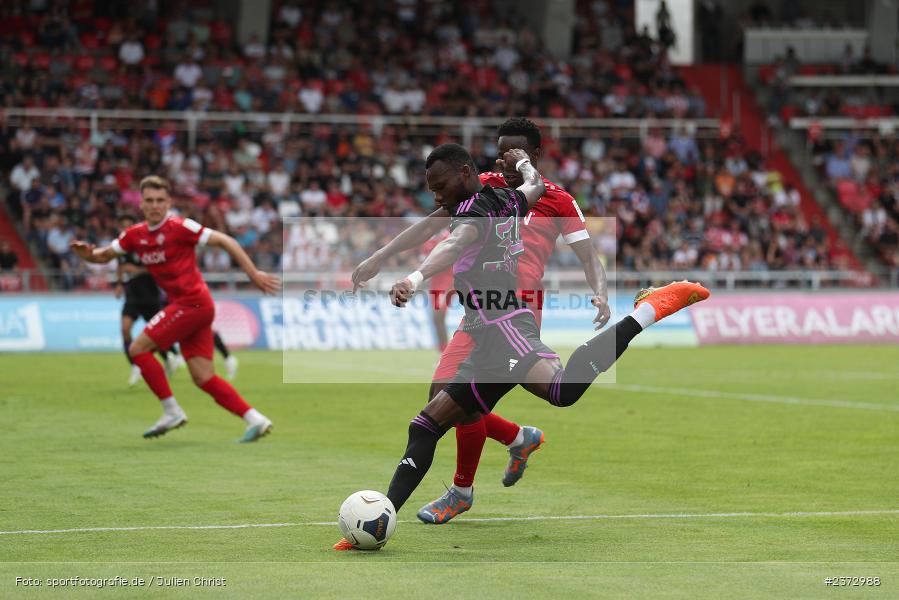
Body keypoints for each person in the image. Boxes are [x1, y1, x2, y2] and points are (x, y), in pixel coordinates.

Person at [335, 143, 709, 549]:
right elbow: (531, 187)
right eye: (430, 188)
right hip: (485, 334)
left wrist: (414, 278)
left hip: (506, 325)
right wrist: (527, 165)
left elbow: (453, 245)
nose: (436, 195)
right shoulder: (504, 198)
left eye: (439, 185)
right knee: (425, 424)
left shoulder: (476, 214)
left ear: (463, 174)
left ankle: (649, 310)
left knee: (562, 391)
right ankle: (383, 516)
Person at [349, 118, 610, 527]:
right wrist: (382, 256)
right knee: (444, 398)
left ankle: (463, 490)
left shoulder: (557, 200)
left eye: (512, 152)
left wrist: (600, 291)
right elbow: (435, 225)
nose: (502, 159)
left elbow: (589, 256)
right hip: (480, 311)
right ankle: (515, 438)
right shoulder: (483, 186)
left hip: (518, 313)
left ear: (533, 154)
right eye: (499, 149)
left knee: (449, 405)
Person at [70, 176, 280, 442]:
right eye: (149, 201)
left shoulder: (180, 227)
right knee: (203, 377)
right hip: (188, 307)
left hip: (193, 303)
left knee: (138, 349)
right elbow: (103, 255)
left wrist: (253, 273)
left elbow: (225, 240)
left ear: (169, 202)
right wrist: (87, 255)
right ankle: (256, 419)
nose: (155, 206)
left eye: (160, 201)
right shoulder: (134, 235)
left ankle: (171, 411)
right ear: (141, 204)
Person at [114, 214, 185, 386]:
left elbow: (158, 266)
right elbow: (121, 267)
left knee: (156, 337)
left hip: (150, 296)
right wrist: (119, 283)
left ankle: (170, 357)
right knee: (125, 329)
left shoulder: (145, 245)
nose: (125, 230)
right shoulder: (122, 248)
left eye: (128, 226)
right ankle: (134, 367)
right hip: (132, 296)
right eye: (122, 226)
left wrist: (137, 270)